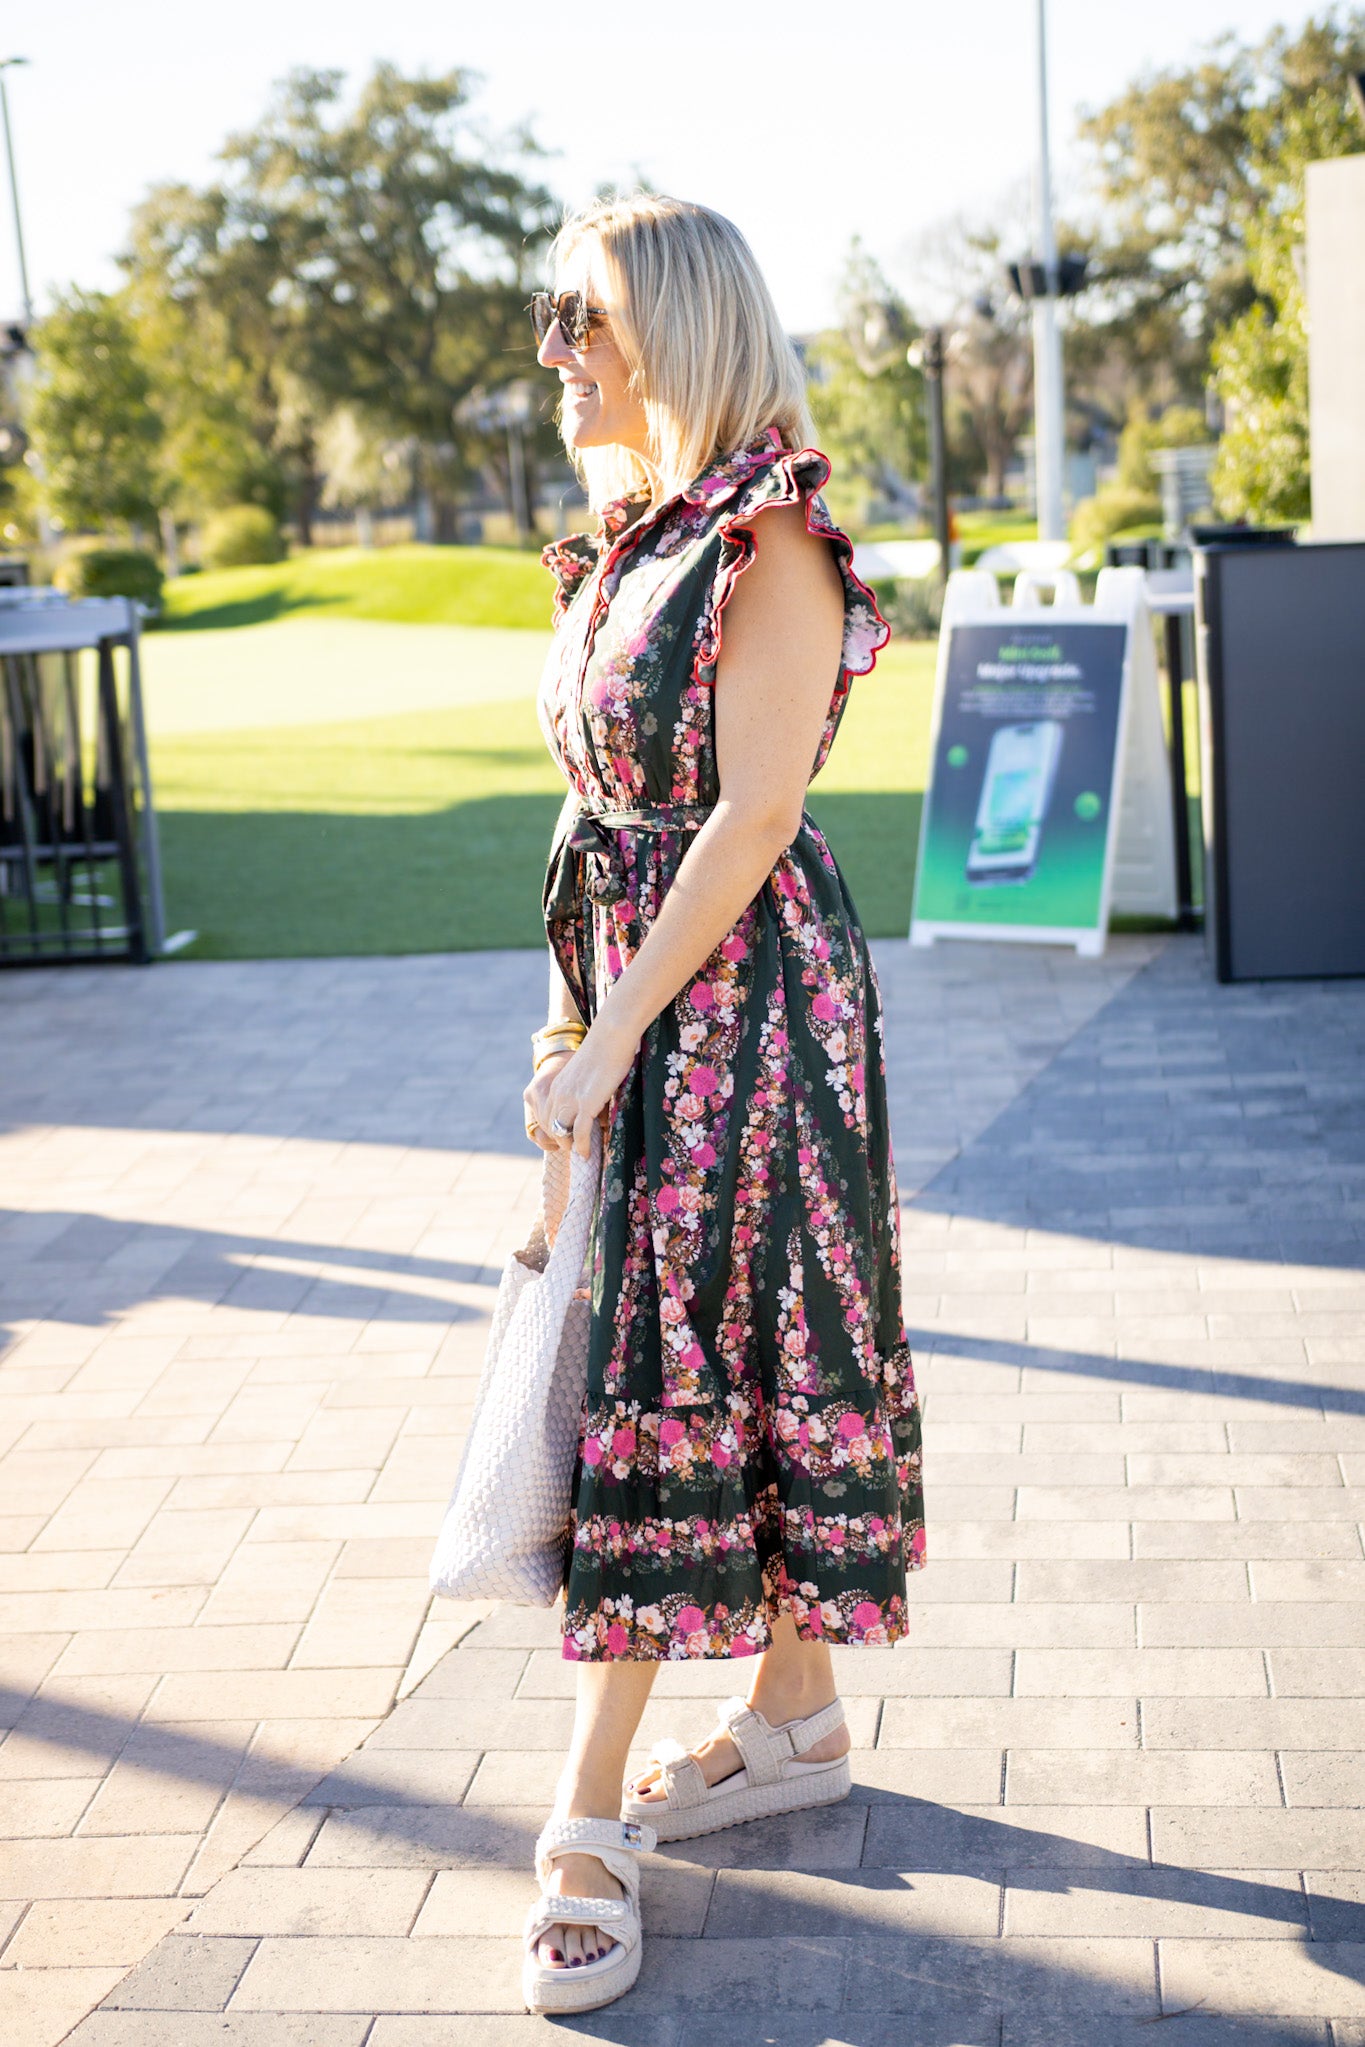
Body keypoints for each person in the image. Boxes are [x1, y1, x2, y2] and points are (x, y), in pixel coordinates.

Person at [518, 192, 924, 2017]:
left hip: (746, 1016)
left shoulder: (769, 544)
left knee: (677, 1359)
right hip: (638, 998)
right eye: (554, 316)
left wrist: (614, 1040)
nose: (559, 350)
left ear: (675, 327)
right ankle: (793, 1715)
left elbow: (750, 817)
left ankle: (586, 1813)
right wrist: (563, 1026)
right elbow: (591, 822)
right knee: (706, 1348)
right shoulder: (633, 540)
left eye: (586, 316)